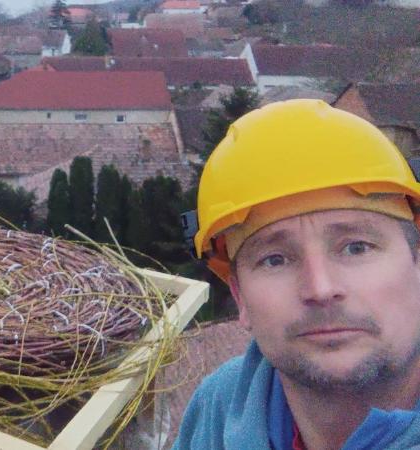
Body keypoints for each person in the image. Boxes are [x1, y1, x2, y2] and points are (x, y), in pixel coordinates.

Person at [174, 99, 420, 449]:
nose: (321, 289)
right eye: (275, 259)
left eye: (356, 247)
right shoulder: (219, 407)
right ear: (240, 298)